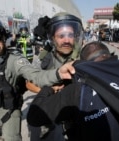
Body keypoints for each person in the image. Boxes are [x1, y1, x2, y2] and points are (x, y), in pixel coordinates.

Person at [0, 12, 75, 141]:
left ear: (3, 38)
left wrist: (58, 72)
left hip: (8, 109)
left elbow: (37, 76)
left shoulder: (15, 61)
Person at [27, 12, 84, 141]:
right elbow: (29, 82)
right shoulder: (45, 57)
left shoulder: (81, 55)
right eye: (61, 36)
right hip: (53, 106)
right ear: (53, 38)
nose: (66, 40)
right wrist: (49, 92)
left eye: (70, 35)